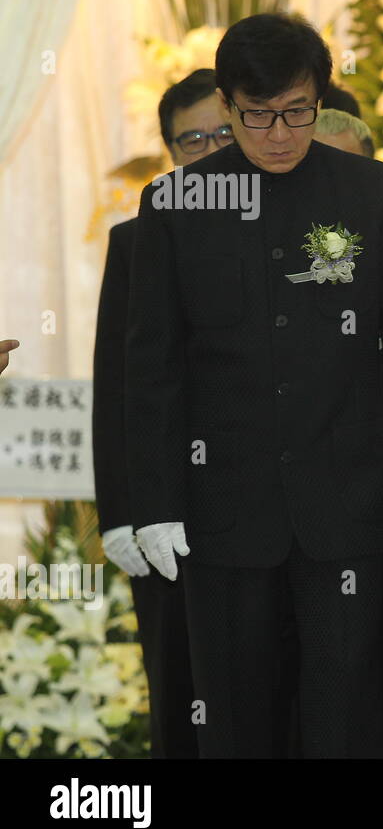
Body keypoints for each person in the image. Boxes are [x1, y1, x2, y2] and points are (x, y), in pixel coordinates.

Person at [124, 12, 383, 758]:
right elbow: (151, 365)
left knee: (348, 723)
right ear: (226, 103)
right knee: (235, 725)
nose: (279, 134)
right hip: (223, 513)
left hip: (350, 510)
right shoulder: (176, 204)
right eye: (257, 116)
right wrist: (149, 498)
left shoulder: (373, 192)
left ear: (320, 97)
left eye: (298, 112)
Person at [92, 68, 235, 758]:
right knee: (179, 692)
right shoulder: (136, 239)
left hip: (265, 508)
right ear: (169, 153)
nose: (208, 152)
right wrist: (121, 508)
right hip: (166, 510)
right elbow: (119, 382)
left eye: (221, 133)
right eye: (191, 141)